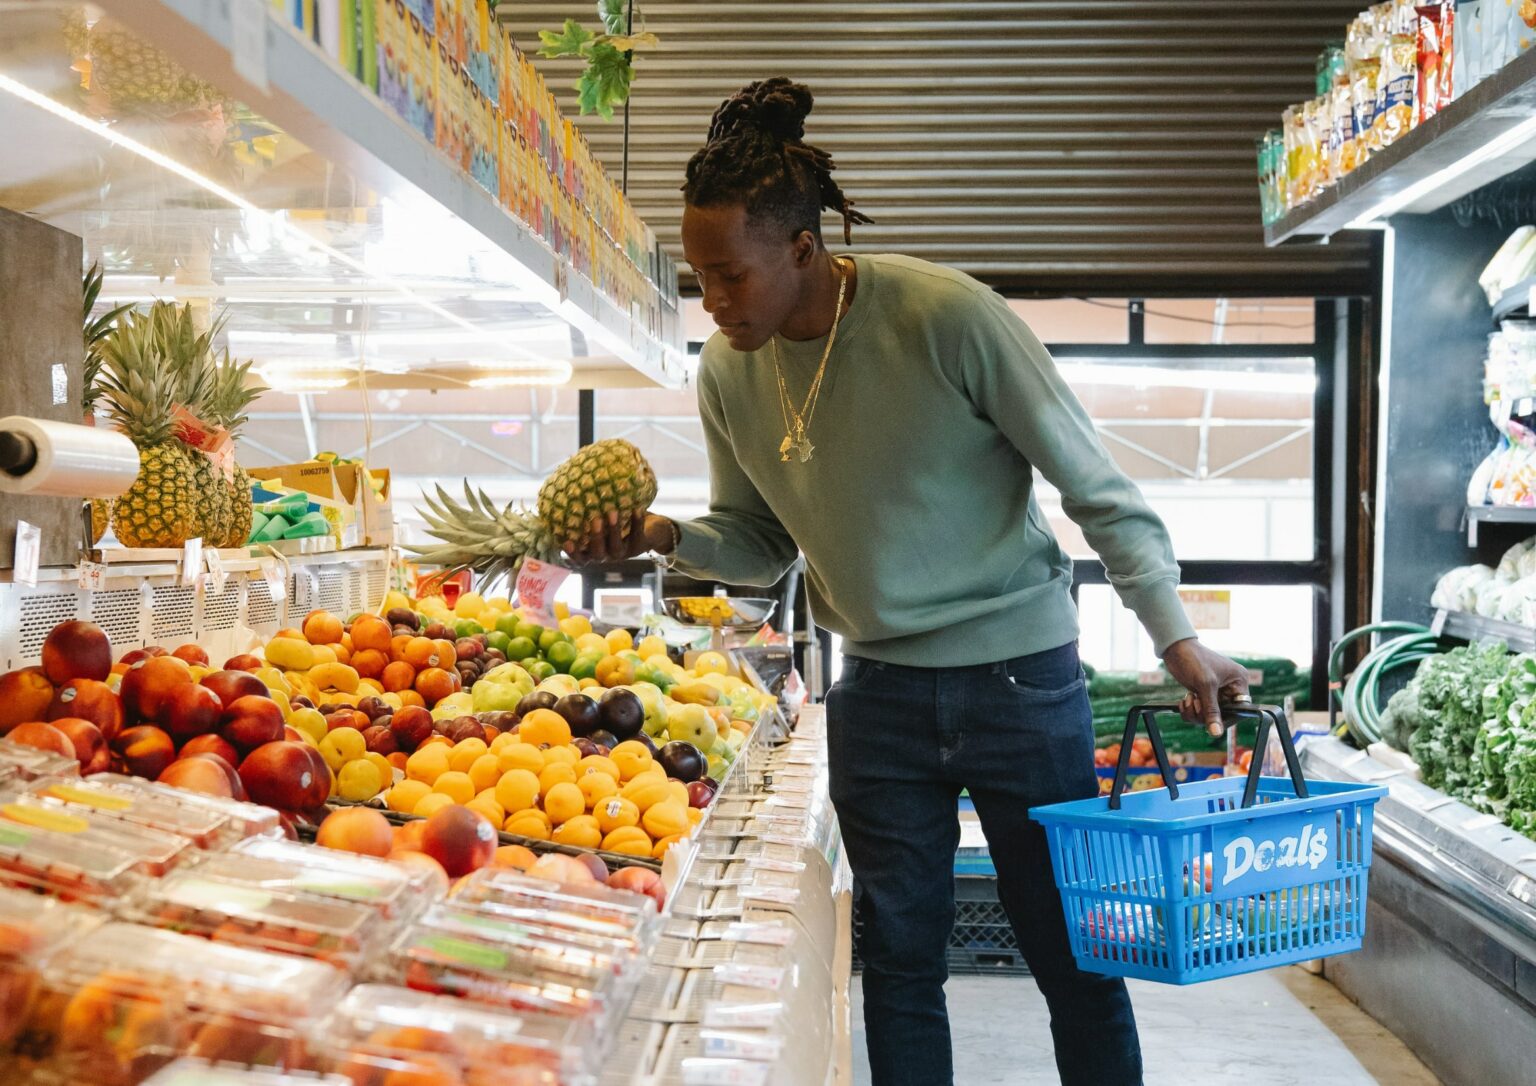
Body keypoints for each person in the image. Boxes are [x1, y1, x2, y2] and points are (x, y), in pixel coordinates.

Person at [568, 77, 1252, 1086]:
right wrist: (667, 534)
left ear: (801, 248)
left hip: (1019, 677)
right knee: (894, 960)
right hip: (878, 692)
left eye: (730, 276)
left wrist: (1173, 634)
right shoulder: (728, 371)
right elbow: (761, 541)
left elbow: (1096, 489)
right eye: (698, 279)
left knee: (1072, 956)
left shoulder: (949, 318)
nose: (711, 301)